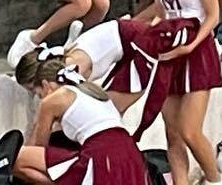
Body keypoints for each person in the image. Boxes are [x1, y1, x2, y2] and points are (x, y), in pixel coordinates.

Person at [133, 0, 222, 185]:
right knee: (171, 131)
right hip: (170, 48)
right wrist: (132, 25)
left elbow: (212, 15)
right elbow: (161, 9)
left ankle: (215, 180)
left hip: (196, 49)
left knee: (189, 130)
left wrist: (192, 44)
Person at [11, 51, 150, 185]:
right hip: (130, 153)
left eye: (37, 93)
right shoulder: (89, 90)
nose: (39, 98)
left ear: (46, 84)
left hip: (101, 153)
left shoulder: (52, 100)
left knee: (18, 159)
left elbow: (39, 146)